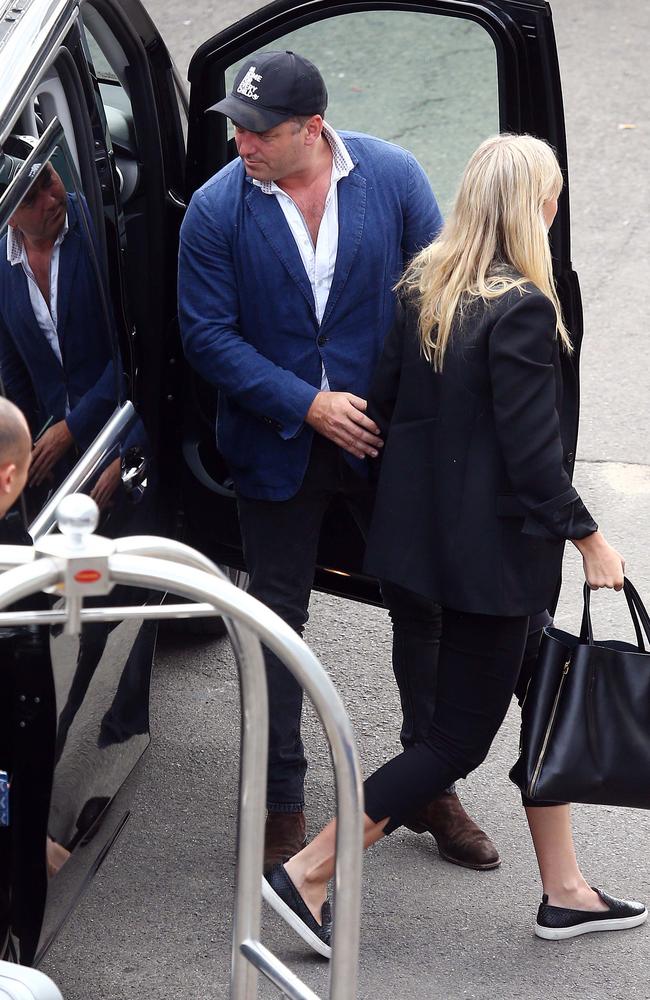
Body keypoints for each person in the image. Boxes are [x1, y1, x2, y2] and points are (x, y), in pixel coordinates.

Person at [261, 134, 647, 954]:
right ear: (529, 206)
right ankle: (309, 875)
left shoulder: (426, 285)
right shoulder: (524, 309)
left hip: (426, 551)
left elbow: (392, 408)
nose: (556, 206)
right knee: (453, 743)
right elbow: (533, 460)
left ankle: (567, 890)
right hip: (492, 566)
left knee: (541, 691)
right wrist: (592, 540)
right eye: (550, 193)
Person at [178, 50, 500, 872]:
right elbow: (207, 337)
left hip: (384, 441)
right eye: (236, 128)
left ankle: (428, 786)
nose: (242, 143)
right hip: (278, 444)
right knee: (279, 624)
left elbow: (442, 289)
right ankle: (284, 802)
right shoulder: (216, 210)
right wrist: (307, 404)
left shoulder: (390, 176)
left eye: (258, 131)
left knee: (421, 608)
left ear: (311, 128)